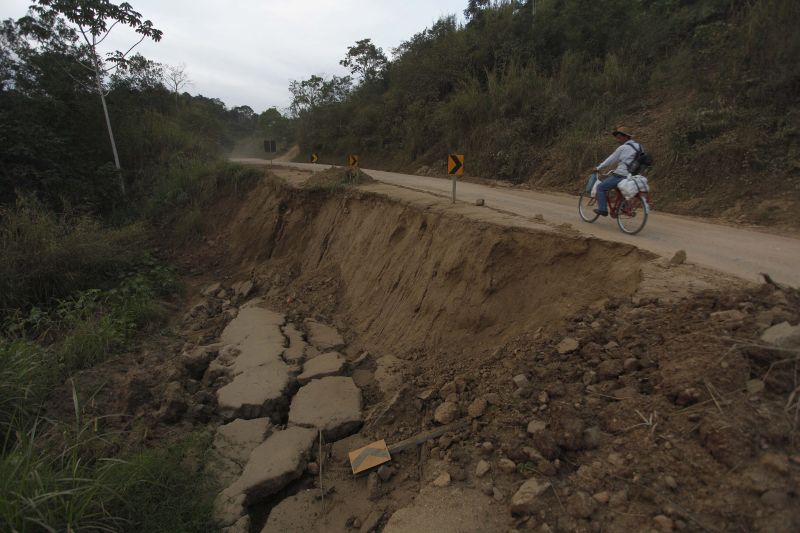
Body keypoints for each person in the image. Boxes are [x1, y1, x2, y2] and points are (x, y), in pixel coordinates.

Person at [593, 126, 642, 216]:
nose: (618, 140)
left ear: (627, 137)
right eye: (617, 138)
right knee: (621, 189)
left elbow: (611, 159)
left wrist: (598, 167)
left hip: (621, 175)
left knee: (600, 187)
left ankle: (603, 209)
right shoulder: (639, 146)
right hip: (634, 176)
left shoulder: (623, 148)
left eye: (619, 137)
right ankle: (624, 206)